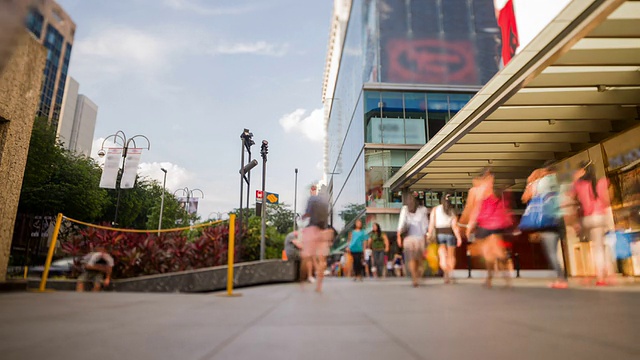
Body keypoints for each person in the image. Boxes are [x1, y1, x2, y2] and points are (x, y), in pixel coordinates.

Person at [522, 162, 568, 288]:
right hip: (560, 219)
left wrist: (531, 182)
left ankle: (561, 279)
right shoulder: (560, 183)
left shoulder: (540, 183)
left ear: (545, 170)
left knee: (552, 252)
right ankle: (564, 276)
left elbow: (525, 197)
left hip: (547, 221)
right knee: (560, 251)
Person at [466, 169, 513, 288]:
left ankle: (490, 279)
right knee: (497, 253)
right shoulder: (492, 189)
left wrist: (470, 226)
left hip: (485, 226)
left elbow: (476, 210)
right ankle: (504, 278)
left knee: (488, 254)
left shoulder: (478, 191)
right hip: (496, 224)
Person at [569, 160, 614, 286]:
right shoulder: (601, 182)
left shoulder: (578, 184)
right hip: (600, 217)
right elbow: (607, 200)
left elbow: (571, 198)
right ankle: (604, 275)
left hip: (587, 219)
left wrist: (575, 180)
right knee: (601, 246)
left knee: (595, 246)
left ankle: (598, 274)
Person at [301, 185, 332, 292]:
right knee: (321, 259)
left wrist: (303, 216)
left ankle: (304, 280)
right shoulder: (325, 202)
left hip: (313, 229)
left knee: (307, 256)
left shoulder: (312, 199)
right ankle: (319, 286)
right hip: (324, 231)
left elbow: (308, 212)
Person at [397, 192, 430, 287]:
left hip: (408, 238)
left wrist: (398, 235)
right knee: (418, 259)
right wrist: (426, 239)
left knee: (412, 259)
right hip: (419, 239)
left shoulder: (405, 209)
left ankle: (414, 277)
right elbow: (425, 226)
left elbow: (401, 223)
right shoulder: (423, 209)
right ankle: (416, 276)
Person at [428, 193, 462, 284]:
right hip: (450, 234)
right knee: (451, 256)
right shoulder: (452, 211)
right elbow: (455, 226)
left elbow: (431, 224)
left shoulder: (435, 210)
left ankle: (445, 272)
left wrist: (429, 234)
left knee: (442, 256)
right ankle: (449, 273)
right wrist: (459, 238)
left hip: (439, 234)